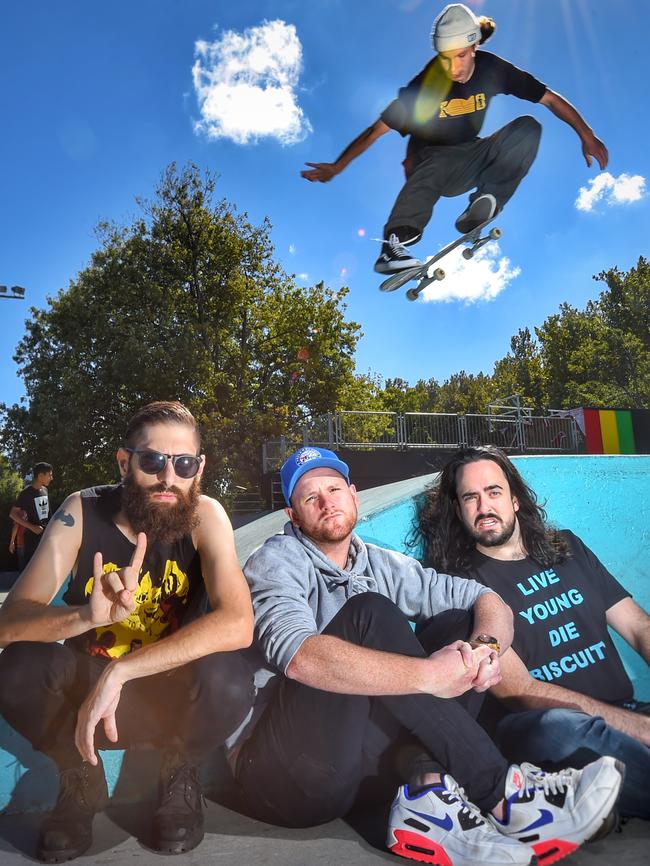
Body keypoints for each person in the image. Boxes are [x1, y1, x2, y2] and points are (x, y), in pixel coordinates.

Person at [232, 445, 623, 866]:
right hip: (285, 778)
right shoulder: (275, 560)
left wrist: (486, 649)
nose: (328, 502)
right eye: (311, 497)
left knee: (458, 624)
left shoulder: (378, 563)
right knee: (369, 613)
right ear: (293, 515)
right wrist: (426, 675)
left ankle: (428, 796)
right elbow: (298, 656)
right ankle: (505, 795)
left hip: (356, 767)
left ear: (354, 494)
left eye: (334, 488)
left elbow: (485, 598)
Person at [0, 401, 255, 861]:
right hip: (88, 708)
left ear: (199, 469)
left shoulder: (205, 516)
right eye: (153, 460)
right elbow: (8, 623)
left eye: (184, 464)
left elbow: (239, 623)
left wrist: (123, 671)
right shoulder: (81, 510)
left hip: (168, 701)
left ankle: (179, 770)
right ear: (125, 462)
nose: (168, 478)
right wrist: (86, 618)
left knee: (230, 679)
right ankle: (80, 777)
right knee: (16, 666)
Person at [414, 444, 650, 820]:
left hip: (626, 712)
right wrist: (636, 727)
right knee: (557, 728)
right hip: (546, 730)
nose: (484, 507)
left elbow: (639, 627)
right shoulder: (459, 588)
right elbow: (521, 692)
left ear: (515, 499)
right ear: (458, 511)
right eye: (470, 498)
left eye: (493, 492)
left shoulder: (569, 548)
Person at [301, 3, 608, 274]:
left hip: (471, 155)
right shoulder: (428, 84)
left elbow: (550, 99)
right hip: (433, 160)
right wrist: (338, 167)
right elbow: (376, 130)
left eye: (460, 56)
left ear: (473, 47)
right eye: (445, 59)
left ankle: (484, 204)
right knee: (440, 159)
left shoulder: (494, 69)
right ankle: (394, 244)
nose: (453, 68)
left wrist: (586, 134)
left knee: (527, 128)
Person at [10, 462, 53, 567]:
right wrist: (32, 527)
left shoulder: (45, 490)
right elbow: (13, 514)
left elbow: (47, 514)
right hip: (32, 542)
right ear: (40, 476)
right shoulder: (26, 493)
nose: (51, 478)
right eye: (49, 475)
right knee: (32, 570)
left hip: (45, 537)